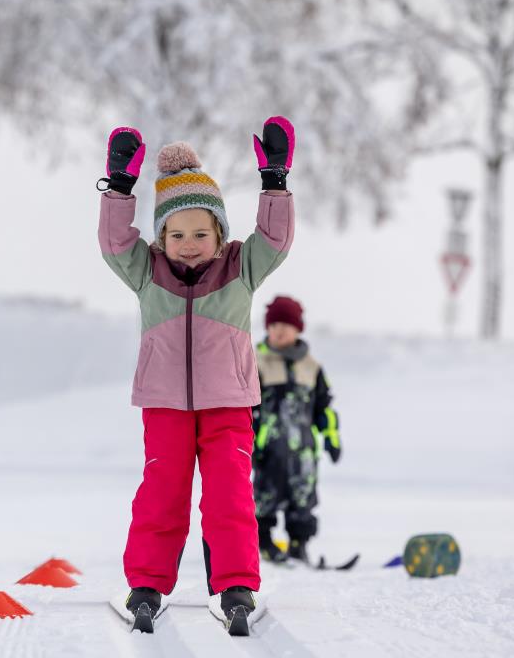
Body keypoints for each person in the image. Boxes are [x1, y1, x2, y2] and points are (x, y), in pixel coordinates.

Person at [98, 118, 295, 631]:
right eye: (177, 234)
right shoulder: (148, 271)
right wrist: (120, 187)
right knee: (161, 493)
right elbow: (115, 243)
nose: (189, 244)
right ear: (162, 236)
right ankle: (146, 583)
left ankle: (236, 585)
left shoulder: (240, 268)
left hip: (228, 403)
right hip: (165, 404)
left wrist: (274, 181)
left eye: (201, 233)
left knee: (229, 494)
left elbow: (275, 239)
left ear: (219, 234)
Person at [252, 295, 342, 565]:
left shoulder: (311, 367)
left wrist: (331, 438)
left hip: (303, 450)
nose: (279, 330)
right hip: (268, 449)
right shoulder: (256, 362)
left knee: (303, 497)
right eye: (273, 325)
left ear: (298, 329)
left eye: (285, 325)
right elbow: (246, 409)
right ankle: (264, 542)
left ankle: (298, 545)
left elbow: (324, 408)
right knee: (265, 495)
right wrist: (250, 442)